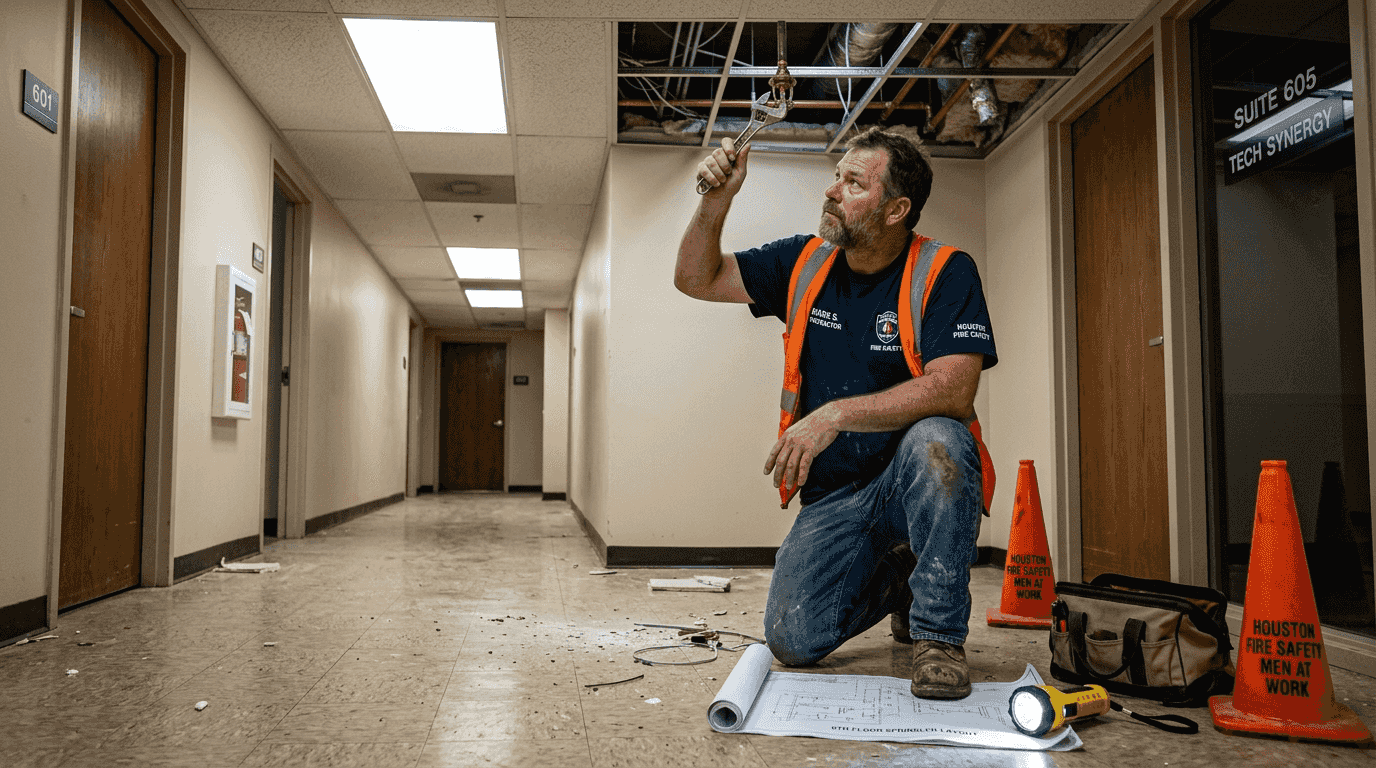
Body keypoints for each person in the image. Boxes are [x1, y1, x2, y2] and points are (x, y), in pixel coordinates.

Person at [673, 127, 997, 699]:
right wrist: (716, 201)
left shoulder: (946, 270)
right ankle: (902, 580)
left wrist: (834, 415)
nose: (831, 191)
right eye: (836, 177)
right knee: (793, 639)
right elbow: (695, 279)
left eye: (853, 183)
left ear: (896, 209)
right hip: (836, 494)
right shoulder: (804, 261)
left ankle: (939, 637)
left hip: (909, 481)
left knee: (940, 439)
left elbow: (953, 389)